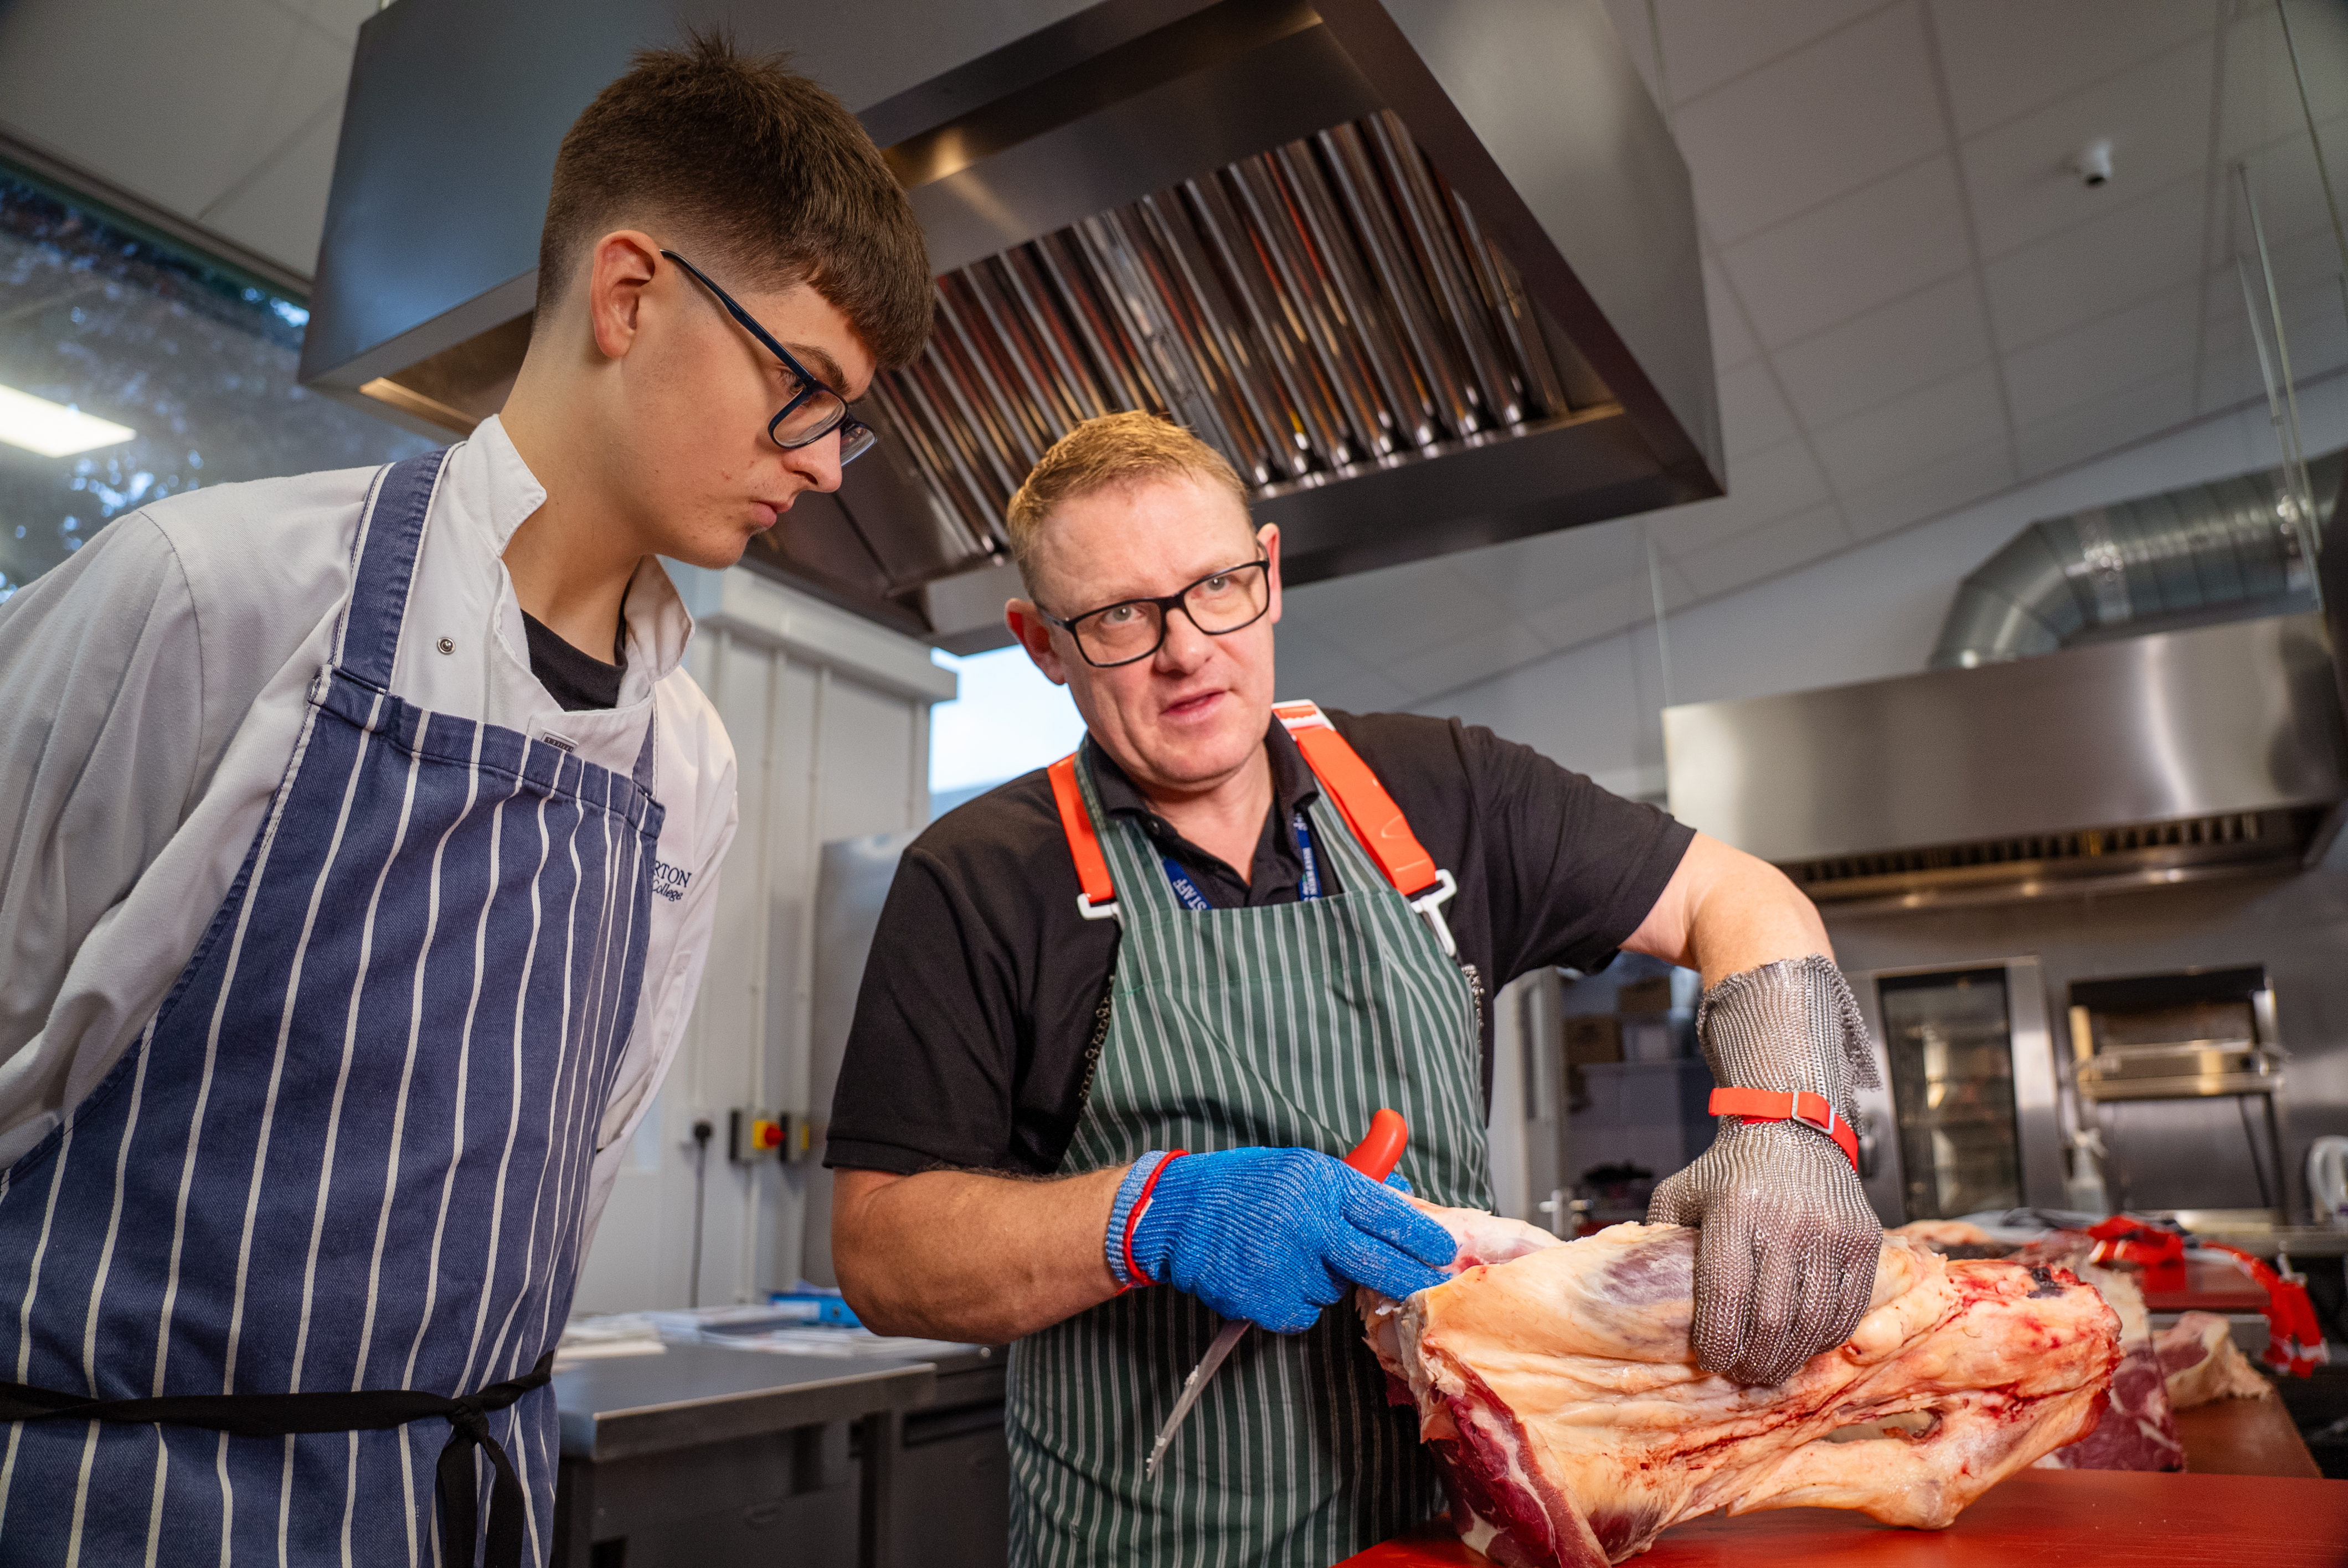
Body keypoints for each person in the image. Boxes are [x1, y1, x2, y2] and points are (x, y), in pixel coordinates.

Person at [0, 34, 929, 1565]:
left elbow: (566, 1181)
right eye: (802, 391)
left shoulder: (680, 769)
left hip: (468, 1516)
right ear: (630, 295)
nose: (826, 469)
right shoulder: (212, 601)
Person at [827, 412, 1884, 1567]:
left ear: (1269, 576)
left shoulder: (1443, 788)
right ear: (1041, 643)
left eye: (1215, 585)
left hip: (1456, 1530)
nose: (1185, 650)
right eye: (1118, 617)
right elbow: (882, 1255)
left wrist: (1786, 1122)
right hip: (1148, 1541)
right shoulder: (980, 875)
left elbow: (1735, 896)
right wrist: (1149, 1217)